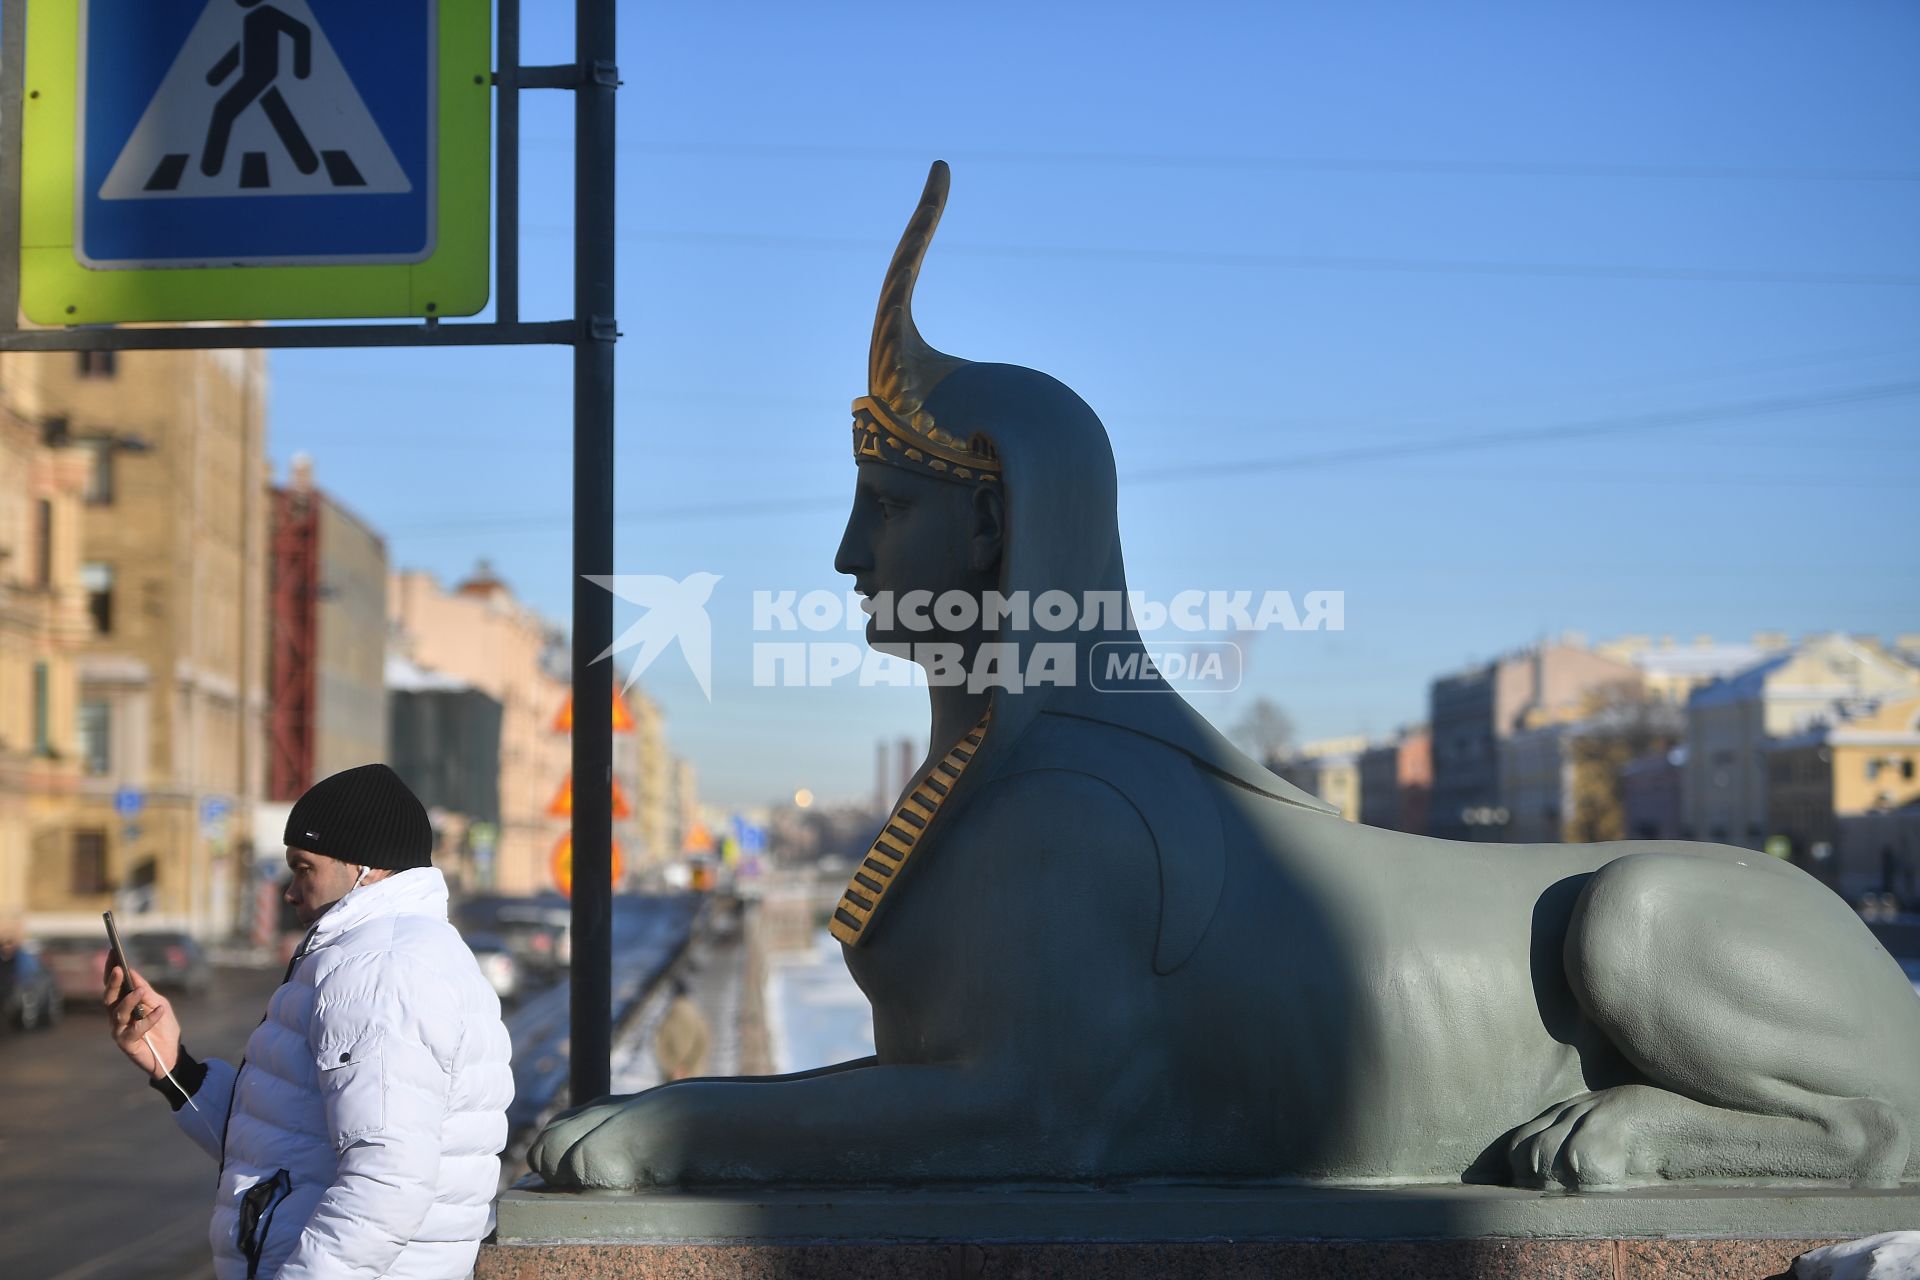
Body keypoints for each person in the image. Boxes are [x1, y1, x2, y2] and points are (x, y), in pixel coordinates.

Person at [105, 763, 514, 1279]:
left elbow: (387, 1183)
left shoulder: (381, 968)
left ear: (367, 867)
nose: (290, 893)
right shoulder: (392, 953)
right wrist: (173, 1068)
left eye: (304, 868)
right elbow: (287, 1142)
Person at [651, 978, 710, 1081]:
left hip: (672, 1074)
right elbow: (702, 1042)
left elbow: (660, 1043)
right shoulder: (697, 1016)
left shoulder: (668, 1016)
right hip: (693, 1073)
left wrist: (674, 1066)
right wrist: (688, 1065)